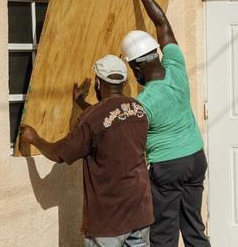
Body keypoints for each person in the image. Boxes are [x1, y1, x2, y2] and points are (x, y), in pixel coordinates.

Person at [19, 55, 153, 247]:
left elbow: (59, 153)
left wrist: (35, 139)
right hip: (140, 212)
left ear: (98, 82)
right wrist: (81, 103)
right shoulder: (138, 110)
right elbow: (110, 120)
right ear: (123, 83)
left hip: (109, 220)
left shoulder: (92, 119)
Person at [121, 0, 210, 247]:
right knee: (194, 229)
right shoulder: (176, 67)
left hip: (168, 167)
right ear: (157, 54)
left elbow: (116, 123)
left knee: (164, 236)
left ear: (135, 68)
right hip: (195, 158)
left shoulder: (144, 103)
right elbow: (163, 23)